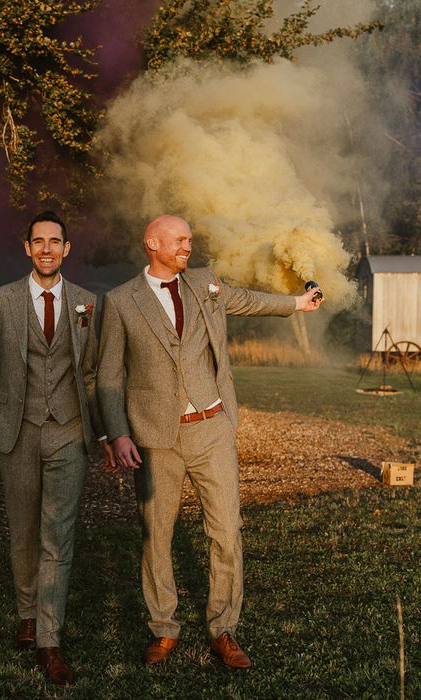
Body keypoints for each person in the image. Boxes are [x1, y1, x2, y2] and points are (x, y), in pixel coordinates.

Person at [96, 215, 323, 669]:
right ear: (152, 243)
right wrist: (116, 433)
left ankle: (224, 629)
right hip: (155, 437)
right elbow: (107, 374)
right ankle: (163, 628)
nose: (188, 244)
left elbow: (248, 300)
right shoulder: (120, 301)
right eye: (179, 239)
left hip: (213, 426)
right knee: (156, 536)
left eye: (189, 239)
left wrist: (296, 303)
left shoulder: (206, 283)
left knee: (226, 531)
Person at [0, 210, 113, 686]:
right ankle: (27, 612)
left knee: (58, 535)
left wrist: (107, 433)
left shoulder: (87, 304)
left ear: (66, 249)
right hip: (16, 429)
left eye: (56, 241)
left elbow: (93, 376)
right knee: (23, 531)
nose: (48, 248)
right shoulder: (3, 300)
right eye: (40, 241)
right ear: (27, 247)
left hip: (69, 431)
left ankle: (49, 640)